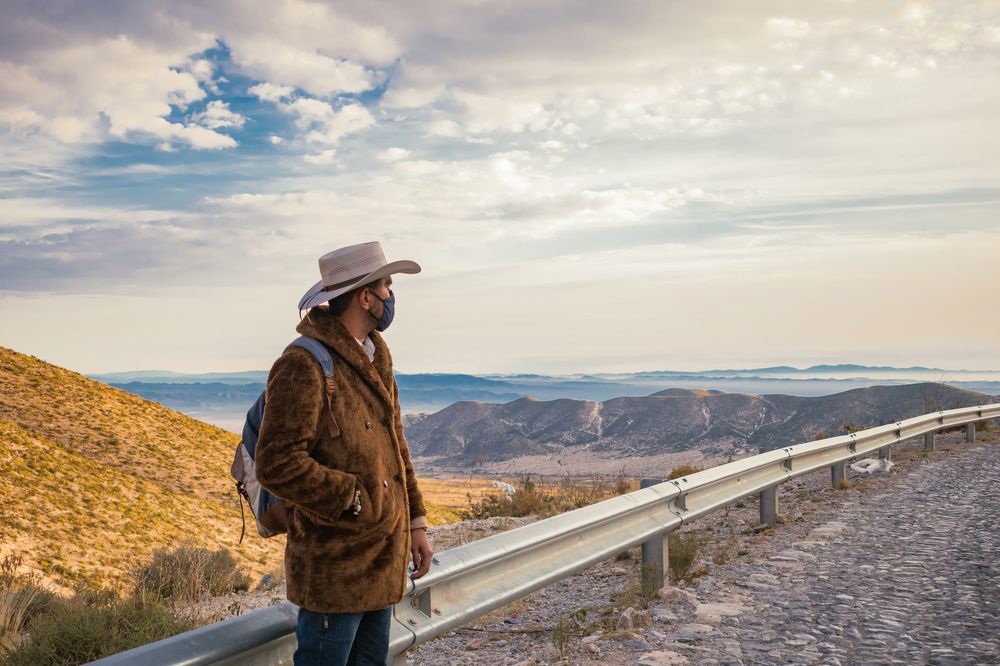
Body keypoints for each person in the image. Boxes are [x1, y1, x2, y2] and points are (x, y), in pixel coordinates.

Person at [255, 241, 433, 666]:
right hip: (333, 572)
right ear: (365, 297)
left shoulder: (375, 357)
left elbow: (396, 446)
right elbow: (276, 463)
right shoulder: (304, 363)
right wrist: (353, 498)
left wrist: (416, 522)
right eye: (387, 286)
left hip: (381, 564)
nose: (392, 297)